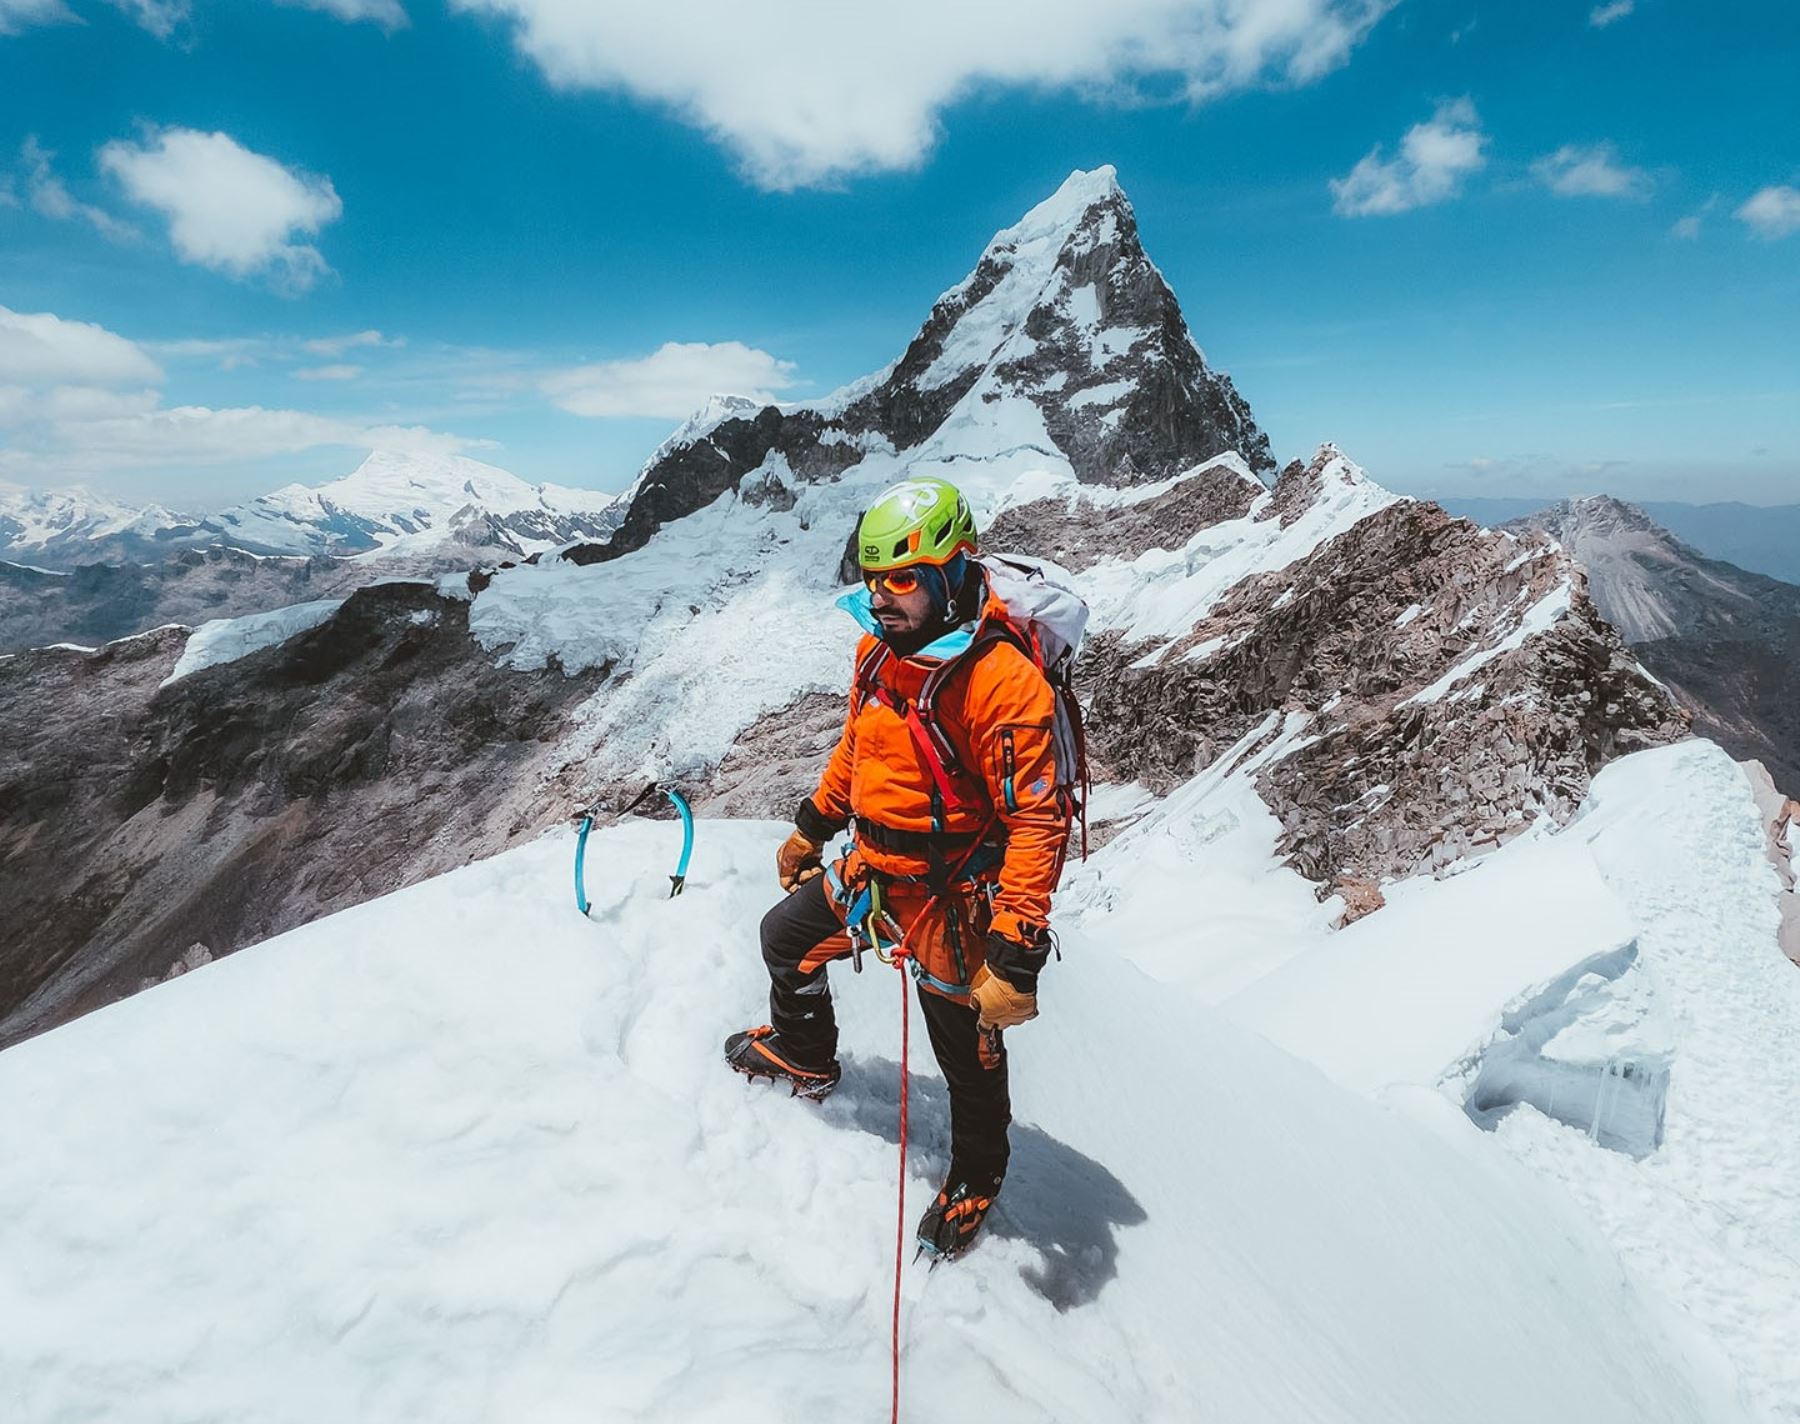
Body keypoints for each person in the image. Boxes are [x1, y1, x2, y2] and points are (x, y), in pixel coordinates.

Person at [724, 475, 1071, 1261]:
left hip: (953, 898)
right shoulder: (878, 652)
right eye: (873, 578)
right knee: (786, 939)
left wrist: (1016, 950)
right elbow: (861, 747)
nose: (883, 597)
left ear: (953, 569)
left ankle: (979, 1173)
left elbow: (1035, 817)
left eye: (903, 579)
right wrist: (814, 826)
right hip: (876, 869)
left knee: (966, 1047)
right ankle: (806, 1055)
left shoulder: (1000, 681)